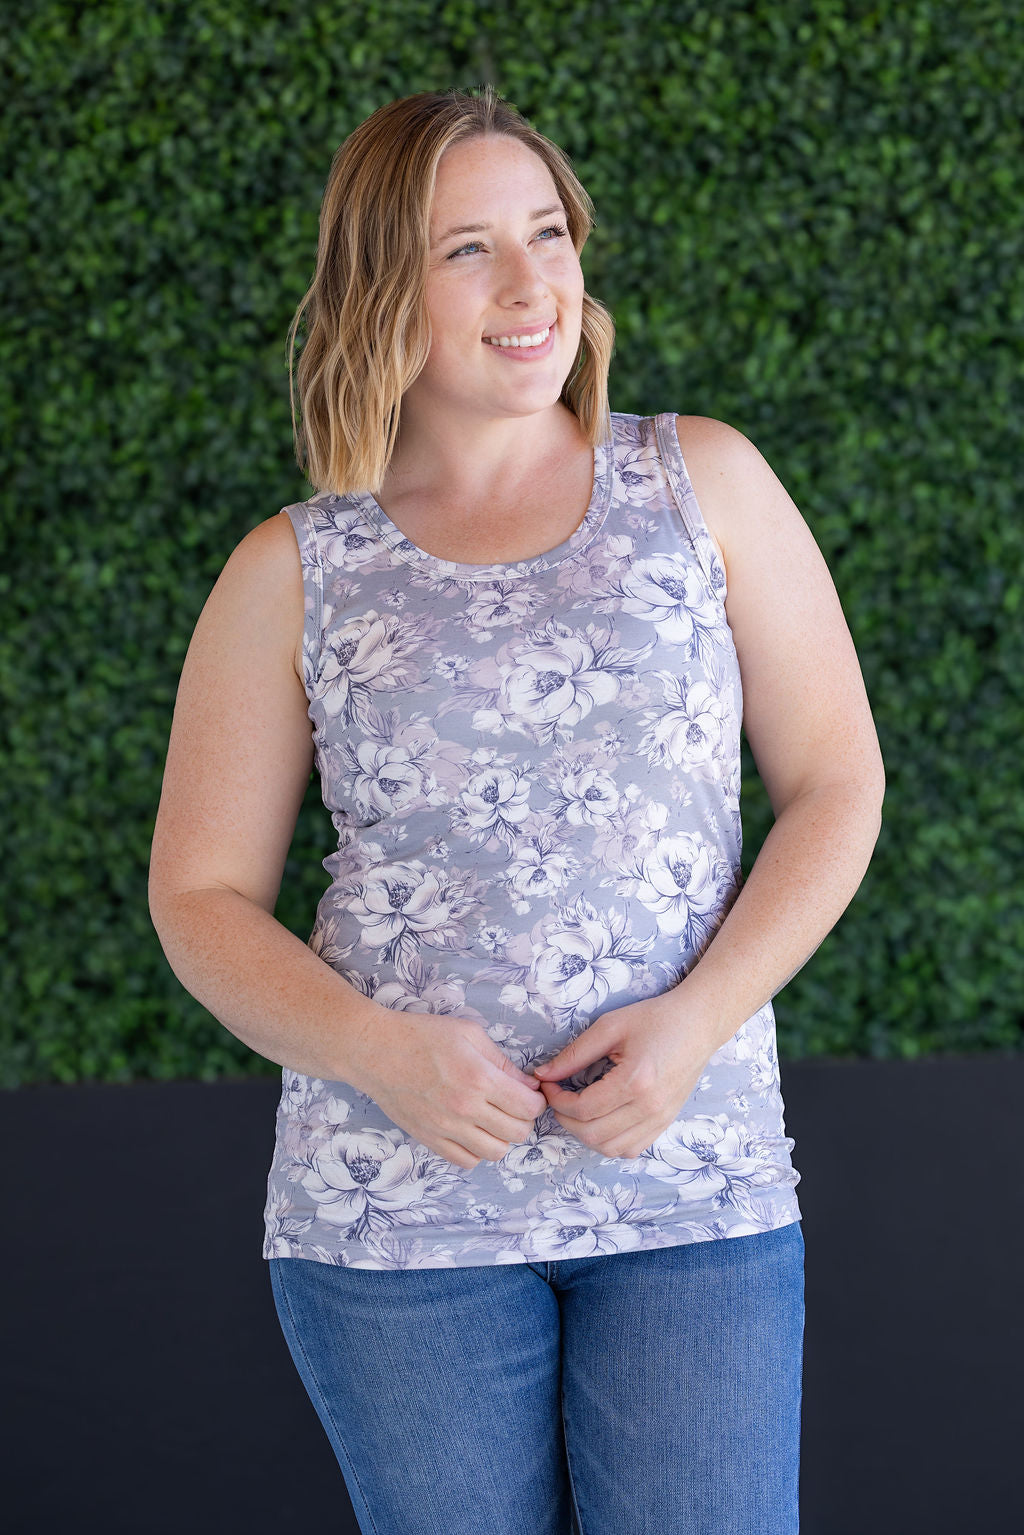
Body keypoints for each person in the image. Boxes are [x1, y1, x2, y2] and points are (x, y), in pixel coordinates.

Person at [149, 85, 884, 1535]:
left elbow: (837, 785)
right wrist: (375, 1051)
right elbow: (198, 897)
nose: (531, 282)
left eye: (548, 232)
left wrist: (696, 1022)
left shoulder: (704, 484)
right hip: (395, 1215)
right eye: (467, 248)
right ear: (381, 286)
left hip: (689, 1185)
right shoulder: (295, 567)